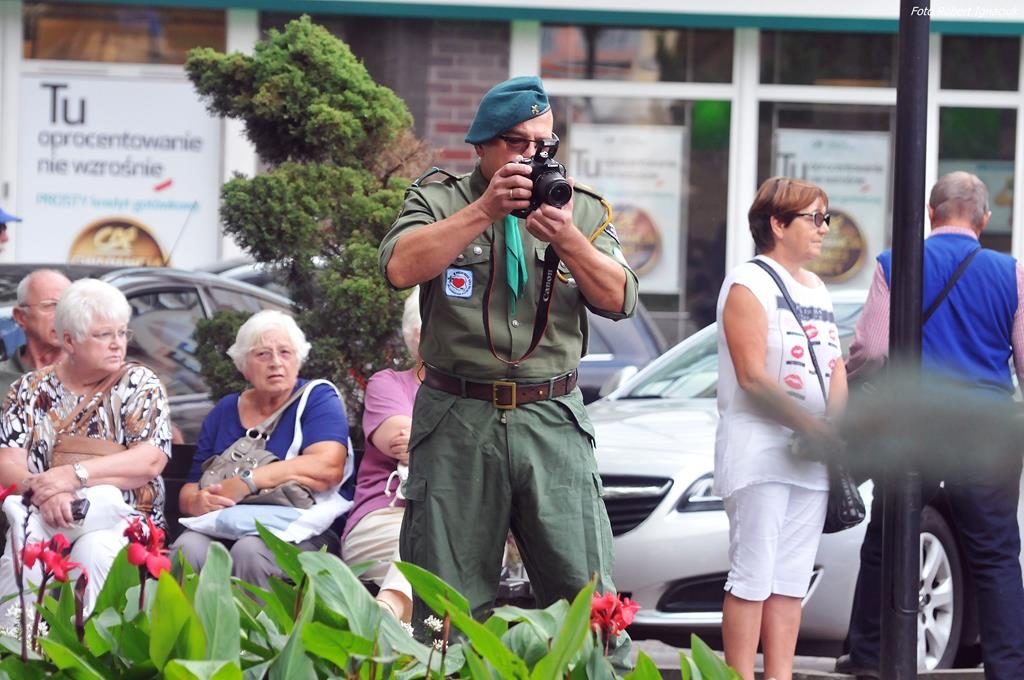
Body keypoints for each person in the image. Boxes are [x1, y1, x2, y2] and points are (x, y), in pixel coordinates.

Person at [378, 75, 638, 649]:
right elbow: (398, 268)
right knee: (442, 608)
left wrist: (569, 240)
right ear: (483, 145)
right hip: (457, 421)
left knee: (588, 597)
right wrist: (483, 210)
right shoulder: (440, 199)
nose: (533, 156)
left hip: (552, 420)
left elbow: (620, 299)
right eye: (519, 143)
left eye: (545, 144)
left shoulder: (580, 207)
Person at [837, 171, 1024, 679]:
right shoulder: (1011, 273)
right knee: (996, 554)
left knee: (889, 537)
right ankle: (1008, 668)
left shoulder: (894, 265)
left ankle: (869, 654)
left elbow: (873, 351)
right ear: (984, 219)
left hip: (912, 423)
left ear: (930, 212)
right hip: (986, 429)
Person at [716, 177, 847, 680]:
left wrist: (834, 427)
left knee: (791, 582)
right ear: (777, 223)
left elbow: (834, 365)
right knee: (752, 577)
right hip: (760, 452)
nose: (824, 228)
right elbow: (752, 377)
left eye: (825, 218)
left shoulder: (818, 288)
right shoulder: (748, 283)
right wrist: (812, 426)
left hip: (811, 459)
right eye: (814, 218)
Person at [0, 278, 172, 615]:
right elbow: (7, 462)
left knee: (90, 547)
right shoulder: (28, 388)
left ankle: (83, 644)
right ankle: (21, 641)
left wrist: (72, 476)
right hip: (46, 510)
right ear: (70, 340)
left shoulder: (139, 383)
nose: (117, 344)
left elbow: (150, 460)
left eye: (122, 333)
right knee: (32, 548)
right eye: (104, 335)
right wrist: (48, 494)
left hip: (125, 521)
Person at [173, 310, 353, 589]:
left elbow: (328, 468)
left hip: (303, 531)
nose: (276, 362)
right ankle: (184, 620)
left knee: (251, 551)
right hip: (225, 524)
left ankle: (259, 620)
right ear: (243, 365)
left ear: (298, 360)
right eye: (262, 354)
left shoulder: (317, 398)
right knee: (187, 549)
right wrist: (197, 502)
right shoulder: (225, 410)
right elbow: (190, 488)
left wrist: (248, 482)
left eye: (285, 352)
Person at [341, 289, 421, 623]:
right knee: (430, 538)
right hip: (385, 519)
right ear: (419, 335)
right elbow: (405, 444)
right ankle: (387, 619)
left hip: (466, 528)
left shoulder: (482, 394)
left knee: (451, 538)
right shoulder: (389, 384)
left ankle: (382, 624)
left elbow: (422, 446)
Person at [0, 270, 72, 389]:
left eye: (70, 306)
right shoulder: (4, 378)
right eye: (51, 305)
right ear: (21, 317)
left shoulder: (96, 376)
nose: (64, 315)